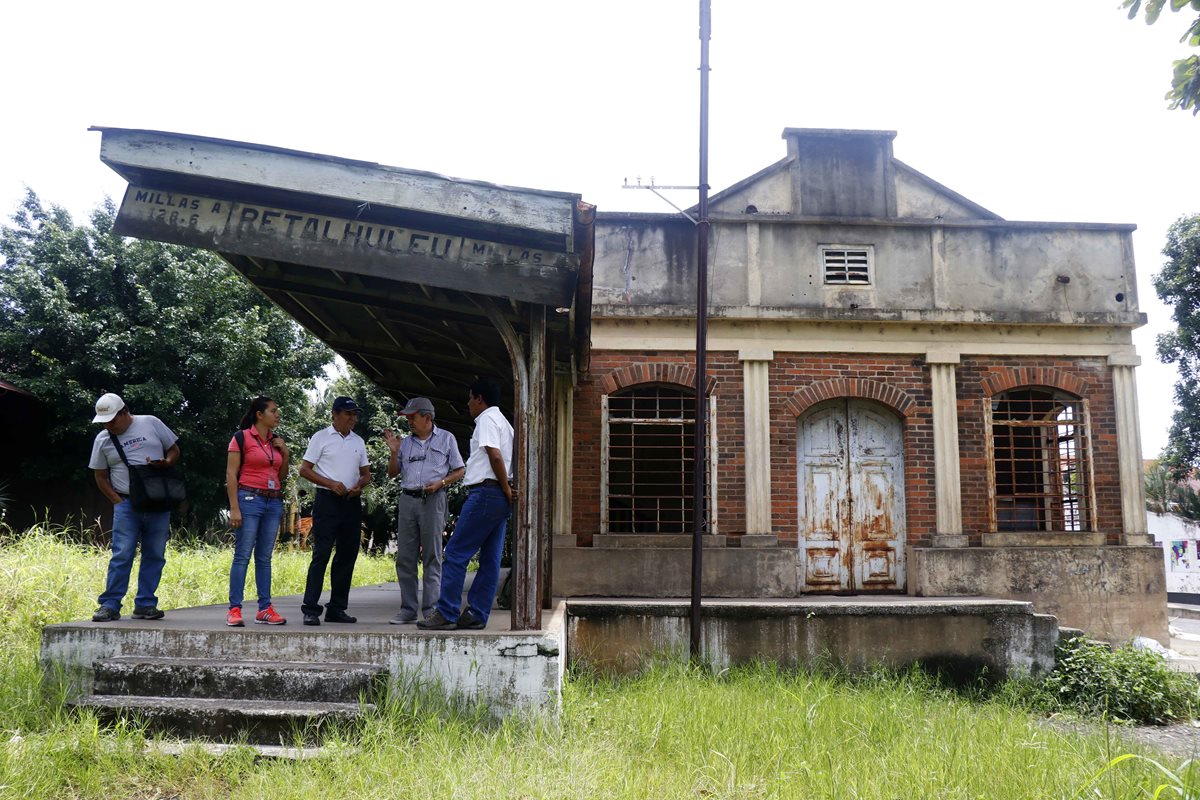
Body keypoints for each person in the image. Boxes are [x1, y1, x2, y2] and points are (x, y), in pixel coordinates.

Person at [419, 378, 514, 631]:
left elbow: (494, 454)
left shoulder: (486, 420)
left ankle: (447, 612)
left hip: (486, 492)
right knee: (491, 559)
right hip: (499, 497)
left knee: (455, 554)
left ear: (480, 398)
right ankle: (477, 613)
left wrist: (504, 487)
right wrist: (506, 490)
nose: (468, 403)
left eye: (470, 398)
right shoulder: (505, 422)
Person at [88, 392, 181, 622]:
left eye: (112, 419)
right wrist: (117, 501)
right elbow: (100, 476)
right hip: (127, 503)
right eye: (104, 422)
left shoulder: (150, 422)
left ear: (124, 412)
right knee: (122, 553)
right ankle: (109, 605)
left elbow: (174, 450)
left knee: (155, 554)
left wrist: (167, 462)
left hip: (158, 502)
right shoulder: (102, 440)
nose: (109, 425)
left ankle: (145, 604)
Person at [383, 397, 465, 625]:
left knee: (432, 556)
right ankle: (407, 609)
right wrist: (393, 453)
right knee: (405, 558)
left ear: (427, 417)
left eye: (412, 417)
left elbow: (460, 470)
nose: (409, 421)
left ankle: (431, 610)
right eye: (407, 417)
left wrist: (442, 483)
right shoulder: (405, 443)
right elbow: (392, 473)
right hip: (408, 500)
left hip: (434, 500)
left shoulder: (447, 438)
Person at [298, 396, 371, 626]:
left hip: (351, 502)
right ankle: (311, 608)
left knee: (347, 555)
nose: (352, 418)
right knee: (321, 554)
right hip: (327, 501)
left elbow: (366, 474)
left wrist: (360, 485)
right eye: (348, 413)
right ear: (335, 414)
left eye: (354, 414)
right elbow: (304, 470)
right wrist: (330, 483)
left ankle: (336, 608)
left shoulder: (359, 441)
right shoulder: (320, 437)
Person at [224, 396, 289, 627]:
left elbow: (281, 476)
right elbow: (231, 475)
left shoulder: (276, 441)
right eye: (273, 411)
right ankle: (234, 609)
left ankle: (265, 609)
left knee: (264, 558)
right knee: (242, 555)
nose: (277, 414)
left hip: (273, 501)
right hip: (249, 499)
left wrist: (286, 453)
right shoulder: (241, 437)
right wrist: (234, 507)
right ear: (260, 415)